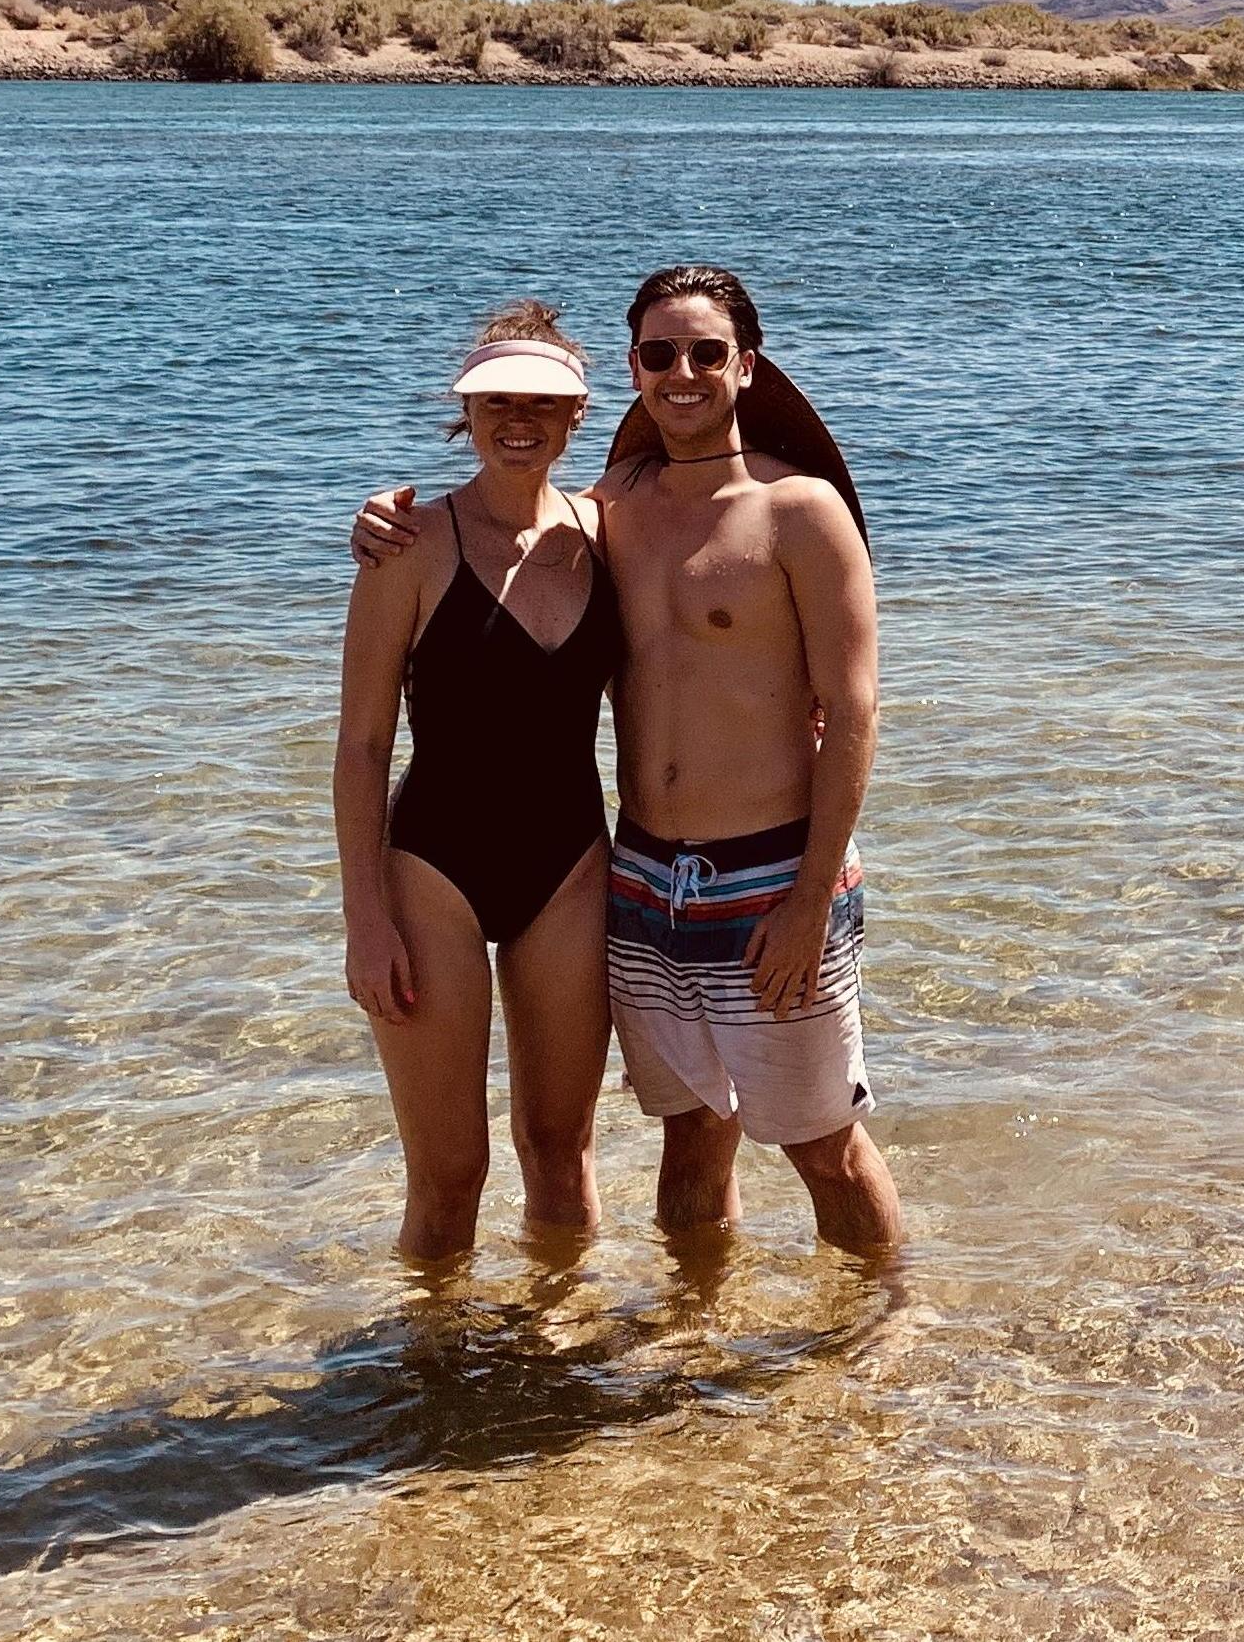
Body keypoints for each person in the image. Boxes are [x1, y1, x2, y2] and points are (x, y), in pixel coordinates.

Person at [355, 264, 901, 1255]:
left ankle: (889, 1321)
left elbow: (855, 710)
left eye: (704, 353)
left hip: (750, 873)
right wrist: (377, 518)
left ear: (745, 366)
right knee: (680, 1137)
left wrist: (811, 896)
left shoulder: (786, 510)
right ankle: (678, 1331)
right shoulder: (610, 509)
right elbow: (371, 732)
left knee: (815, 1142)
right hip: (642, 880)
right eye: (659, 354)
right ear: (634, 371)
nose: (681, 372)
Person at [332, 302, 621, 1263]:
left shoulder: (609, 531)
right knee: (450, 1177)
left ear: (578, 414)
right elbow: (362, 746)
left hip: (570, 867)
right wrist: (365, 920)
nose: (517, 419)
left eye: (540, 401)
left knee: (563, 1156)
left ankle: (558, 1341)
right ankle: (432, 1350)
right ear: (467, 413)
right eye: (495, 400)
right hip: (433, 870)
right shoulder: (408, 546)